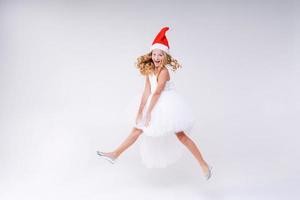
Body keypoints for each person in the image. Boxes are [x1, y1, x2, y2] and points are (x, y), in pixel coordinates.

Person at [97, 27, 213, 180]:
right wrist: (141, 109)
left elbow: (157, 92)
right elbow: (147, 91)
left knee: (181, 136)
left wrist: (149, 111)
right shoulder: (150, 69)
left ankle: (203, 164)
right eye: (154, 54)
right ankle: (115, 154)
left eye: (160, 54)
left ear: (165, 57)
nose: (157, 57)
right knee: (137, 129)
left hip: (166, 104)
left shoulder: (164, 72)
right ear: (151, 54)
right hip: (153, 100)